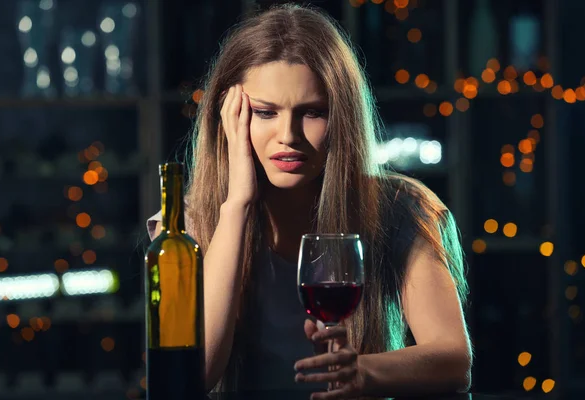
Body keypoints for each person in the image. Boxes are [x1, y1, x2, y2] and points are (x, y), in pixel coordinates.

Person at [147, 3, 472, 398]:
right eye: (265, 113)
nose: (289, 135)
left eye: (313, 112)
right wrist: (237, 206)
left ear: (343, 118)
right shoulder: (181, 230)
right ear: (230, 119)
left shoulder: (401, 208)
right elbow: (192, 377)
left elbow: (455, 360)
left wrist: (362, 373)